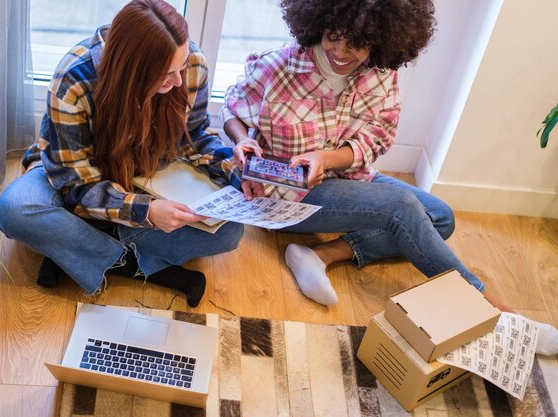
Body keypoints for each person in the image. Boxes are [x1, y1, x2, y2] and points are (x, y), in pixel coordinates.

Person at [220, 0, 558, 355]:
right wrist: (243, 140)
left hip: (349, 178)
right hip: (289, 196)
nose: (340, 52)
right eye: (333, 37)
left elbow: (377, 136)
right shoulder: (280, 67)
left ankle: (322, 255)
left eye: (357, 44)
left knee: (439, 217)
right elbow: (232, 107)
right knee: (401, 209)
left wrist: (327, 157)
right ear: (318, 21)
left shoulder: (380, 74)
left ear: (380, 40)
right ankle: (495, 313)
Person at [0, 0, 244, 308]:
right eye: (167, 74)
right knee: (16, 209)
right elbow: (75, 185)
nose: (179, 80)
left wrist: (238, 171)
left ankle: (71, 252)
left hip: (148, 177)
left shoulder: (191, 64)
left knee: (230, 232)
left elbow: (194, 135)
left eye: (181, 68)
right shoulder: (73, 78)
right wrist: (147, 212)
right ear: (132, 70)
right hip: (72, 175)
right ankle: (138, 266)